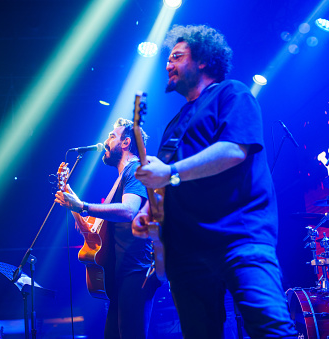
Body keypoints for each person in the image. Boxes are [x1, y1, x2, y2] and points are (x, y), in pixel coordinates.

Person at [131, 25, 297, 338]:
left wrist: (170, 172)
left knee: (271, 329)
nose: (168, 64)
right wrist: (149, 213)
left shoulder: (232, 93)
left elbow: (233, 150)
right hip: (186, 250)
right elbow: (166, 185)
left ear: (203, 60)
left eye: (177, 57)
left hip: (240, 238)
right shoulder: (173, 125)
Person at [55, 118, 160, 339]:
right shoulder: (121, 178)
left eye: (112, 136)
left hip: (137, 272)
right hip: (120, 274)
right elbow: (93, 233)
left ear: (126, 143)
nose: (106, 140)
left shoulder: (137, 169)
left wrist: (82, 206)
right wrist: (70, 198)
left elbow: (129, 211)